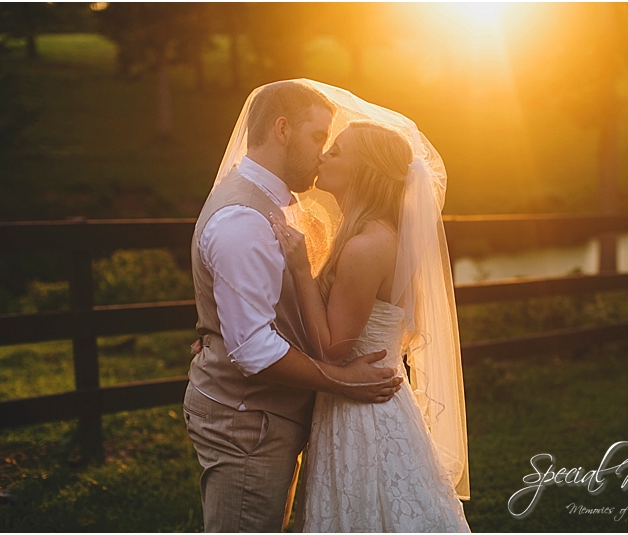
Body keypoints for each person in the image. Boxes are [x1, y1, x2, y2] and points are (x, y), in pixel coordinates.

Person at [184, 80, 404, 533]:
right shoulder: (242, 219)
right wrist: (346, 382)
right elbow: (252, 349)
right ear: (282, 129)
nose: (323, 153)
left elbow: (262, 314)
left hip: (271, 418)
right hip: (247, 423)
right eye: (318, 137)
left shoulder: (281, 205)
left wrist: (219, 334)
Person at [270, 91, 471, 530]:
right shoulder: (378, 236)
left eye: (336, 150)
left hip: (362, 414)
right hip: (366, 399)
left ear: (362, 171)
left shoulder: (366, 247)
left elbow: (332, 349)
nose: (323, 155)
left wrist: (302, 270)